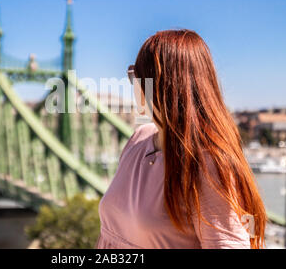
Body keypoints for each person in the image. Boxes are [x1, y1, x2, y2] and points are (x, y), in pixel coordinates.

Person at [96, 30, 266, 249]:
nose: (133, 84)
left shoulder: (208, 164)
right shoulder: (139, 138)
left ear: (162, 85)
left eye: (135, 75)